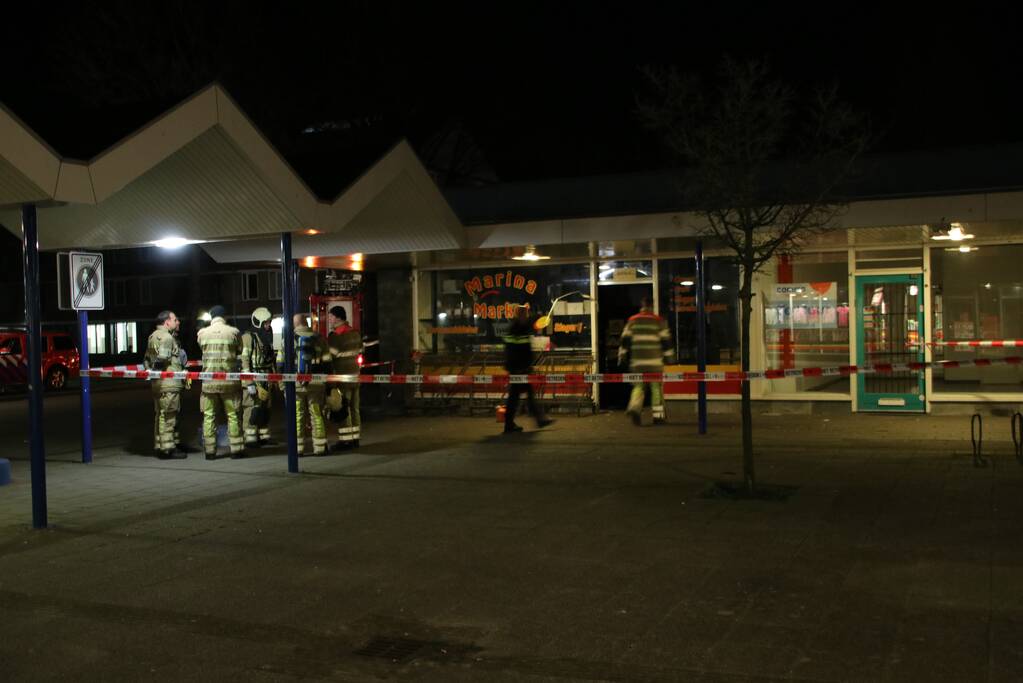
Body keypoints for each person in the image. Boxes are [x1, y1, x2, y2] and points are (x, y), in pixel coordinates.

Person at [197, 305, 244, 458]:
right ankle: (236, 449)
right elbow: (239, 351)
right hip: (229, 382)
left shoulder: (202, 333)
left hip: (209, 383)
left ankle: (210, 451)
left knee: (209, 415)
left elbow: (201, 348)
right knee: (233, 414)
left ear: (211, 317)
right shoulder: (233, 332)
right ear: (225, 317)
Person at [618, 296, 674, 426]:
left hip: (637, 362)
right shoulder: (659, 321)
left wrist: (622, 357)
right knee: (656, 388)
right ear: (652, 306)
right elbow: (666, 342)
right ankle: (658, 417)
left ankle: (635, 409)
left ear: (641, 306)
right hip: (655, 362)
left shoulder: (632, 320)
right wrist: (670, 358)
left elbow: (625, 340)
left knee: (638, 387)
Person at [502, 304, 553, 433]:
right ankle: (537, 420)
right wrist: (520, 367)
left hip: (520, 368)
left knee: (519, 396)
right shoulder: (516, 328)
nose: (527, 316)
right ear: (520, 315)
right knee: (517, 397)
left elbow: (521, 348)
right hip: (518, 369)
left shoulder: (520, 327)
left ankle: (513, 424)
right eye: (525, 314)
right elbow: (513, 350)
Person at [144, 310, 187, 459]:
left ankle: (160, 445)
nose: (177, 322)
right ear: (167, 322)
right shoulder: (167, 337)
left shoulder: (152, 336)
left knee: (160, 415)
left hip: (157, 384)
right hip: (168, 383)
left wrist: (152, 375)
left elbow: (146, 360)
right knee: (168, 416)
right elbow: (162, 358)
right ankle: (168, 449)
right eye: (175, 319)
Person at [293, 313, 331, 456]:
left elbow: (281, 363)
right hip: (316, 384)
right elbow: (327, 363)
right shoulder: (319, 339)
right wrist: (327, 384)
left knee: (298, 415)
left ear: (295, 324)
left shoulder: (289, 339)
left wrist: (283, 386)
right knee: (316, 413)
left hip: (296, 384)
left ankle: (298, 448)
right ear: (306, 322)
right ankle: (320, 447)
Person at [240, 307, 277, 448]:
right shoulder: (248, 338)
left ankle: (263, 437)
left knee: (265, 410)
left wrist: (274, 379)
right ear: (258, 323)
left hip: (266, 379)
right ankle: (250, 439)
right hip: (254, 379)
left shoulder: (266, 337)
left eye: (269, 322)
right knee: (252, 409)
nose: (269, 325)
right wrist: (249, 382)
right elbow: (244, 361)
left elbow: (270, 359)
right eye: (266, 323)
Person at [327, 305, 363, 450]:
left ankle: (346, 441)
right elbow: (360, 351)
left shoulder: (336, 336)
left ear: (338, 317)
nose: (329, 319)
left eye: (331, 316)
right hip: (356, 376)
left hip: (342, 377)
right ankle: (355, 439)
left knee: (344, 408)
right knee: (355, 408)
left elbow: (330, 357)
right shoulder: (355, 333)